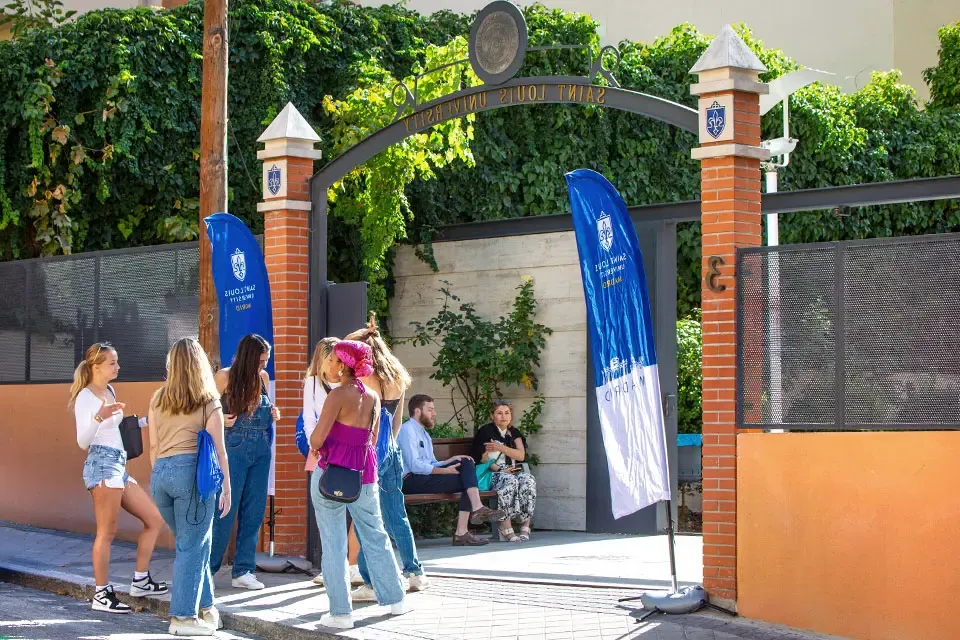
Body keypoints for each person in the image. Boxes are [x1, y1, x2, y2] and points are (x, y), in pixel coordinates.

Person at [309, 340, 411, 630]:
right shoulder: (373, 398)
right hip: (364, 474)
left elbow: (317, 439)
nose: (327, 364)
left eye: (331, 360)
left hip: (332, 473)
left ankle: (341, 613)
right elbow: (375, 436)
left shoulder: (338, 395)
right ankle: (395, 600)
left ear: (342, 365)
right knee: (376, 536)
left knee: (333, 543)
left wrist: (319, 445)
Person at [70, 342, 168, 613]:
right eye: (112, 363)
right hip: (101, 467)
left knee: (154, 519)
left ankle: (140, 581)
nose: (118, 367)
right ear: (96, 366)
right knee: (107, 532)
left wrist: (147, 421)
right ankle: (101, 594)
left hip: (118, 466)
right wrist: (99, 418)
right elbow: (82, 441)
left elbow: (120, 429)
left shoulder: (110, 390)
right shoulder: (86, 397)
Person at [148, 338, 231, 636]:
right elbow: (220, 452)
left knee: (193, 544)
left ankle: (208, 609)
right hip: (192, 478)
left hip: (161, 476)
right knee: (192, 546)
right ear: (201, 366)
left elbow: (154, 448)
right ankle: (183, 618)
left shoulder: (158, 398)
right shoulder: (209, 401)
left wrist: (163, 473)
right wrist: (227, 488)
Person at [345, 316, 429, 601]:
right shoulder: (397, 374)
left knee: (369, 518)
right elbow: (396, 421)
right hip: (391, 449)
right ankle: (415, 572)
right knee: (395, 514)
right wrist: (390, 447)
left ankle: (371, 583)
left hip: (370, 448)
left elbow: (369, 418)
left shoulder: (366, 376)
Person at [209, 334, 279, 590]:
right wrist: (218, 419)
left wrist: (273, 412)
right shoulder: (224, 377)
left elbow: (266, 408)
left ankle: (243, 570)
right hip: (233, 448)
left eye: (266, 361)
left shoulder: (262, 379)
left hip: (261, 449)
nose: (264, 366)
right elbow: (204, 408)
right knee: (224, 511)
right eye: (261, 361)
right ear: (249, 357)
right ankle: (208, 568)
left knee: (254, 511)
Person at [398, 395, 505, 546]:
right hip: (410, 480)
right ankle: (465, 528)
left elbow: (431, 462)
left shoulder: (424, 434)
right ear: (417, 411)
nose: (434, 414)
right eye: (430, 410)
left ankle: (474, 513)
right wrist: (444, 471)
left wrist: (448, 461)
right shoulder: (407, 430)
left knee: (465, 461)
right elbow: (415, 466)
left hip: (424, 476)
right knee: (466, 482)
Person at [472, 400, 536, 543]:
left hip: (512, 470)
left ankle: (525, 525)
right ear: (492, 415)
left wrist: (501, 448)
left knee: (528, 480)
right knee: (509, 480)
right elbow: (483, 459)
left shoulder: (514, 432)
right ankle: (505, 526)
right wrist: (501, 470)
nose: (503, 416)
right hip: (493, 473)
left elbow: (521, 455)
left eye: (507, 413)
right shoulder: (486, 431)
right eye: (499, 413)